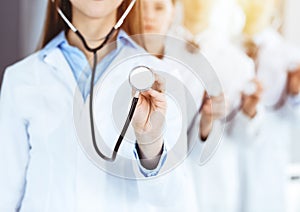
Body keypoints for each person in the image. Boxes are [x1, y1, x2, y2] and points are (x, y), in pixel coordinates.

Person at [0, 0, 200, 211]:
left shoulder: (159, 79)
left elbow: (175, 201)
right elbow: (5, 193)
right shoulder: (22, 78)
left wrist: (150, 143)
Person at [235, 0, 300, 211]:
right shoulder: (225, 48)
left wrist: (295, 94)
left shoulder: (288, 54)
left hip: (268, 157)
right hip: (229, 156)